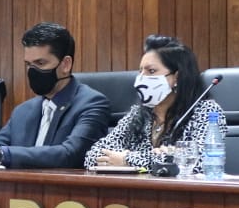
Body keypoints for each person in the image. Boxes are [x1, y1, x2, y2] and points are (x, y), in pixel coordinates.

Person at [0, 22, 110, 169]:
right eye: (29, 64)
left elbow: (70, 154)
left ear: (65, 64)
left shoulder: (92, 104)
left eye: (40, 63)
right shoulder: (23, 111)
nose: (32, 71)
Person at [85, 35, 225, 169]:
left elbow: (202, 161)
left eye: (151, 71)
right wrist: (156, 158)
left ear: (177, 77)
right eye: (140, 71)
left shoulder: (206, 111)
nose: (141, 79)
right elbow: (92, 156)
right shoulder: (138, 113)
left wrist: (126, 159)